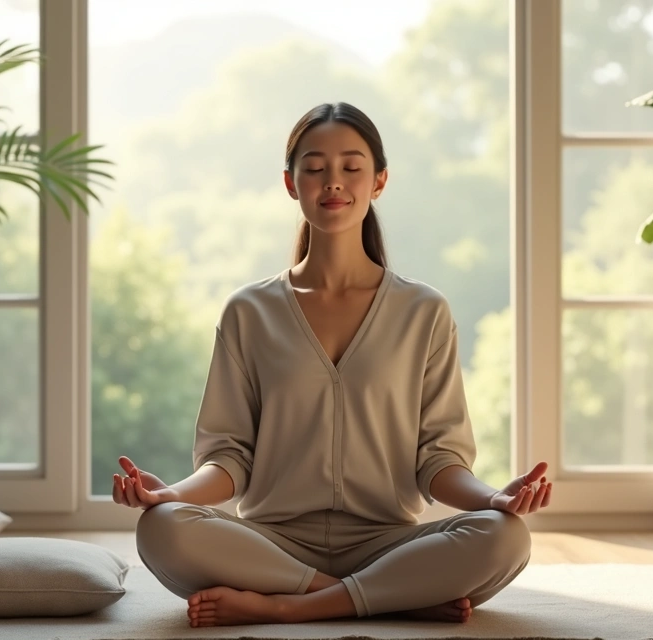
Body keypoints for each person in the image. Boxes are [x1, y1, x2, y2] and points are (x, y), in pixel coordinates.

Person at [111, 102, 553, 628]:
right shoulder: (248, 311)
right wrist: (168, 495)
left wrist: (496, 498)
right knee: (161, 527)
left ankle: (287, 606)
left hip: (387, 543)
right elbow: (229, 458)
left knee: (506, 537)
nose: (333, 182)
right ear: (291, 183)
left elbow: (439, 460)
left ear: (379, 181)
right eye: (315, 168)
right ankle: (389, 599)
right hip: (272, 545)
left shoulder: (424, 311)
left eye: (351, 167)